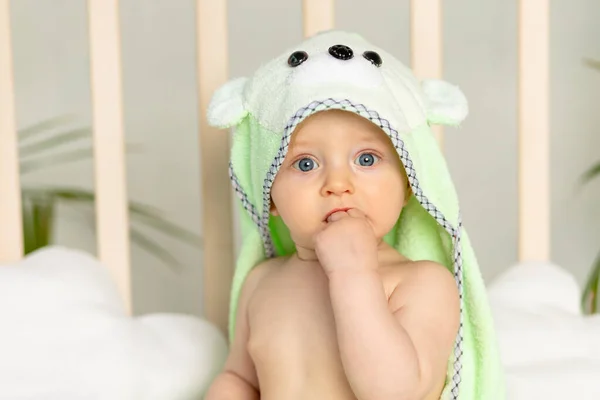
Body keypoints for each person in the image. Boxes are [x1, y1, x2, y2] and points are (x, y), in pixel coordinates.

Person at [205, 30, 505, 400]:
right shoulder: (261, 284)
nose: (337, 183)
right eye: (305, 163)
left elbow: (396, 393)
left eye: (366, 159)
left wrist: (353, 274)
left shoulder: (423, 284)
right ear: (270, 197)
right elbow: (240, 379)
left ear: (409, 182)